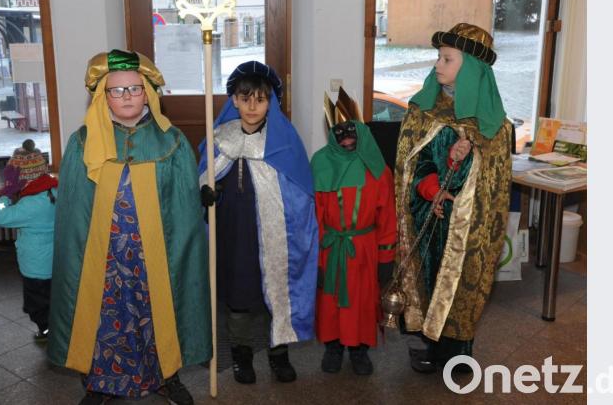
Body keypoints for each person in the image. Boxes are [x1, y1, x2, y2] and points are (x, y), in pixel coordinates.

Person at [48, 49, 211, 405]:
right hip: (102, 259)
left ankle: (168, 376)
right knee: (106, 320)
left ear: (148, 94)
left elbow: (182, 209)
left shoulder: (174, 143)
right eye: (117, 90)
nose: (126, 97)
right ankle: (99, 383)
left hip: (157, 254)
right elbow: (73, 213)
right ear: (102, 95)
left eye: (134, 89)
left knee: (161, 314)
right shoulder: (82, 143)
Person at [394, 23, 512, 373]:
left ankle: (459, 353)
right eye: (438, 58)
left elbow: (494, 185)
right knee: (431, 279)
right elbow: (413, 162)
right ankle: (431, 347)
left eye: (447, 59)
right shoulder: (424, 111)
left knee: (462, 285)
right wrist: (432, 186)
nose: (437, 65)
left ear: (472, 69)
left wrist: (470, 153)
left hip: (468, 225)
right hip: (432, 216)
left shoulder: (495, 125)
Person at [199, 61, 318, 384]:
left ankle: (279, 354)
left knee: (275, 293)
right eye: (245, 97)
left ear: (271, 103)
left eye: (260, 99)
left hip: (275, 234)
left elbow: (300, 191)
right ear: (233, 100)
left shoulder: (284, 143)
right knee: (239, 297)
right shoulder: (219, 138)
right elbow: (202, 177)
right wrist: (207, 192)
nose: (252, 106)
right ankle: (241, 355)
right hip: (234, 235)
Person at [311, 89, 396, 375]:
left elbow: (387, 218)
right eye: (339, 131)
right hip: (332, 247)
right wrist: (317, 260)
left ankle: (359, 350)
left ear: (360, 130)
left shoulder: (378, 170)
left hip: (364, 249)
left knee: (362, 301)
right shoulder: (320, 164)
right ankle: (333, 347)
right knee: (331, 302)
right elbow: (315, 217)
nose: (345, 136)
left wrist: (386, 258)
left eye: (351, 130)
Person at [0, 140, 58, 342]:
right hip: (56, 261)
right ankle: (58, 328)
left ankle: (46, 331)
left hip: (35, 265)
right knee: (54, 298)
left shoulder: (29, 205)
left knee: (37, 303)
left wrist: (6, 193)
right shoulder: (54, 192)